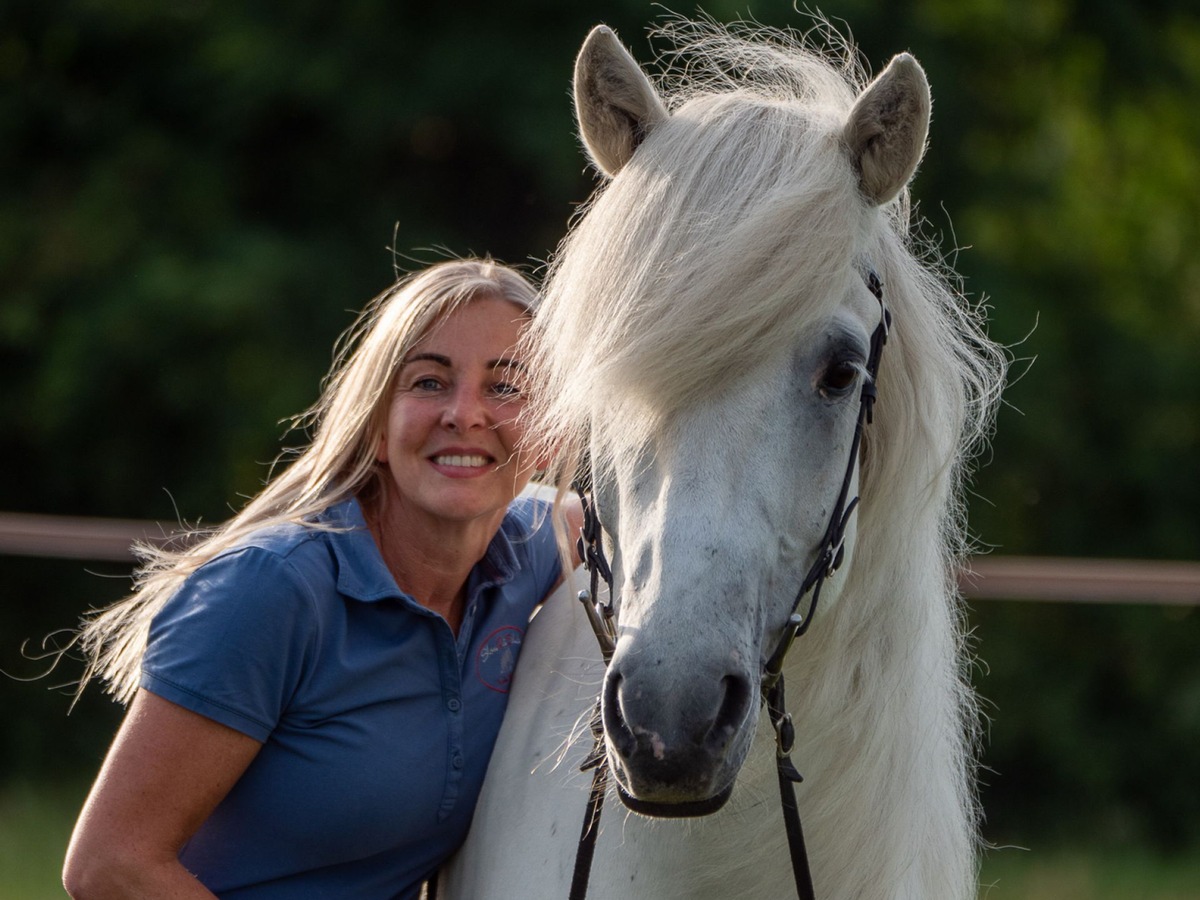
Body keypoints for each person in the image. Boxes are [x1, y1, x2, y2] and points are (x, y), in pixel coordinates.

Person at [63, 258, 573, 899]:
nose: (464, 414)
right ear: (376, 429)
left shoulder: (536, 548)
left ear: (548, 435)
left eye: (506, 387)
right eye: (428, 382)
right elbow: (110, 865)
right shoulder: (270, 590)